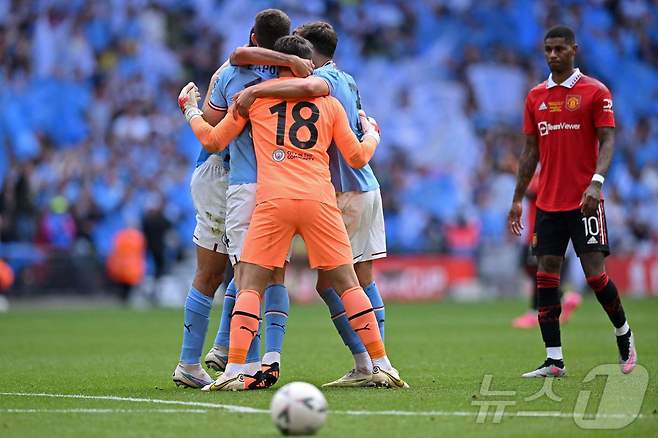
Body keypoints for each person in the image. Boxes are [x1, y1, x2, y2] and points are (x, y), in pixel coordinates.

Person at [179, 34, 407, 391]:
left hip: (274, 202)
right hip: (319, 201)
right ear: (304, 65)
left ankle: (235, 369)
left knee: (250, 283)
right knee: (348, 283)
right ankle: (381, 363)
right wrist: (374, 133)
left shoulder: (254, 101)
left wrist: (190, 110)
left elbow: (213, 141)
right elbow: (358, 157)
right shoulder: (329, 103)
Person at [231, 21, 388, 387]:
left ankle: (374, 364)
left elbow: (310, 85)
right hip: (332, 192)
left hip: (347, 191)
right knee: (336, 283)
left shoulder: (324, 82)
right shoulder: (344, 81)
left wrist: (255, 93)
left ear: (312, 56)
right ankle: (371, 362)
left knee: (353, 280)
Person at [172, 9, 309, 388]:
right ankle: (219, 362)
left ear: (253, 36)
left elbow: (216, 119)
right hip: (225, 176)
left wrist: (193, 110)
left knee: (247, 268)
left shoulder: (235, 73)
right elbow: (216, 135)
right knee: (227, 270)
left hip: (249, 180)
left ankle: (222, 351)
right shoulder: (286, 76)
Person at [508, 26, 637, 377]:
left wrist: (597, 183)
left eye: (559, 49)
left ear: (574, 50)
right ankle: (554, 360)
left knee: (596, 276)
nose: (553, 55)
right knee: (546, 275)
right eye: (548, 49)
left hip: (585, 201)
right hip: (547, 204)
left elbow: (608, 140)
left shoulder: (595, 91)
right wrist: (518, 198)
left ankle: (624, 334)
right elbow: (529, 152)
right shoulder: (535, 96)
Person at [511, 171, 582, 329]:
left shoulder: (545, 174)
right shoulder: (540, 173)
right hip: (534, 230)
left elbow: (529, 192)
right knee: (533, 270)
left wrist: (514, 172)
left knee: (537, 271)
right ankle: (561, 300)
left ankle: (543, 307)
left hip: (540, 229)